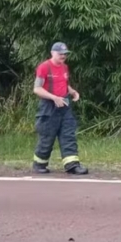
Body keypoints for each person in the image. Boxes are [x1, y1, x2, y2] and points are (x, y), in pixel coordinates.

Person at [31, 42, 88, 175]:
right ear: (52, 53)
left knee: (68, 135)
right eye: (60, 53)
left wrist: (73, 92)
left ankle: (72, 165)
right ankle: (39, 164)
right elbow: (37, 89)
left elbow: (64, 84)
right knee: (47, 136)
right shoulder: (44, 67)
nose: (63, 56)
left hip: (65, 105)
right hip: (49, 107)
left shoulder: (65, 67)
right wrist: (54, 98)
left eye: (65, 54)